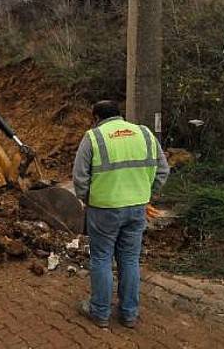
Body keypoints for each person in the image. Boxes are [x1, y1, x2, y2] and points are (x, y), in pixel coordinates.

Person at [72, 100, 170, 328]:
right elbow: (163, 170)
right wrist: (145, 194)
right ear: (120, 115)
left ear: (95, 117)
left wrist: (89, 200)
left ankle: (100, 312)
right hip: (137, 209)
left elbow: (80, 178)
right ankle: (128, 314)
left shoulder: (94, 137)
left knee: (102, 258)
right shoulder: (144, 133)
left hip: (104, 209)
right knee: (129, 259)